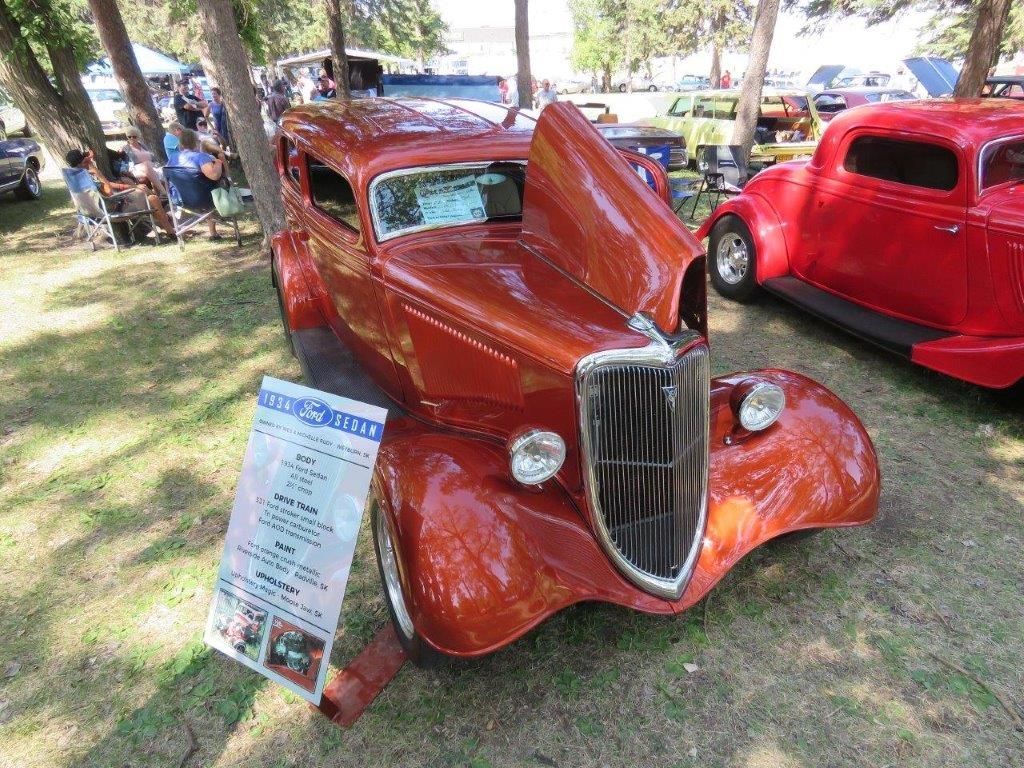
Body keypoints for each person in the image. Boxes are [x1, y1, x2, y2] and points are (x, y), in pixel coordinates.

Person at [65, 147, 176, 238]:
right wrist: (97, 172)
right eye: (86, 160)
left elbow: (105, 186)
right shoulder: (91, 173)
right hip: (112, 209)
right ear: (83, 162)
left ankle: (165, 223)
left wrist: (131, 186)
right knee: (152, 198)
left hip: (91, 212)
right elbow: (108, 190)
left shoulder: (77, 179)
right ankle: (170, 229)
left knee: (144, 192)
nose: (89, 162)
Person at [177, 128, 226, 240]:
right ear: (196, 141)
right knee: (213, 187)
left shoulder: (172, 159)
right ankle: (213, 233)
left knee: (202, 187)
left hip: (180, 199)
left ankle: (213, 233)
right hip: (203, 197)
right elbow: (214, 175)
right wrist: (218, 163)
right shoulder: (201, 157)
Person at [124, 126, 167, 196]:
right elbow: (128, 164)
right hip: (136, 170)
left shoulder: (143, 145)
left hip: (150, 168)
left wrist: (153, 164)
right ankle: (164, 192)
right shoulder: (126, 148)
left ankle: (160, 195)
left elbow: (152, 157)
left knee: (154, 171)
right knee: (147, 166)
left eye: (134, 136)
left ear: (138, 137)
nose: (131, 138)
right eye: (129, 136)